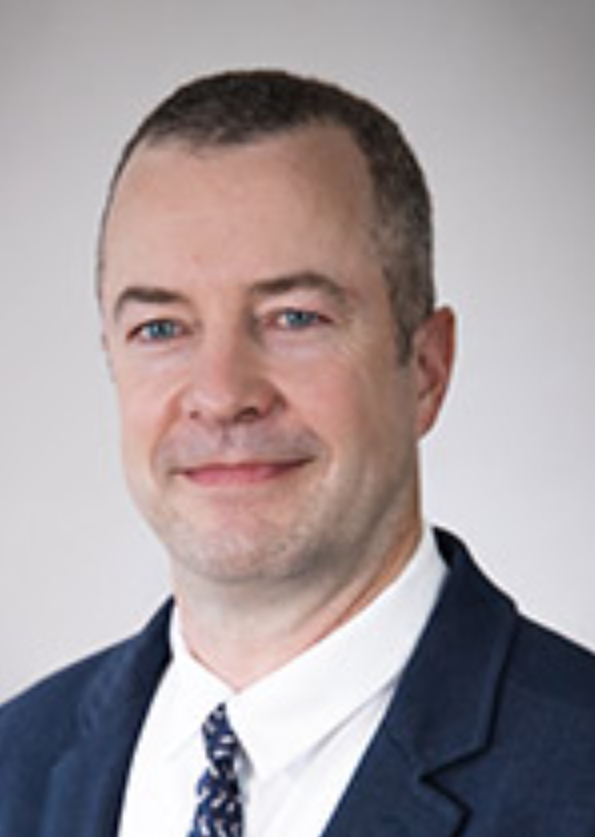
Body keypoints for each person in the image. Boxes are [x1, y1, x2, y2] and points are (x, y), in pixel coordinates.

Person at [1, 69, 594, 837]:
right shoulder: (15, 763)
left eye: (293, 317)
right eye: (161, 328)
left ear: (425, 367)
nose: (221, 393)